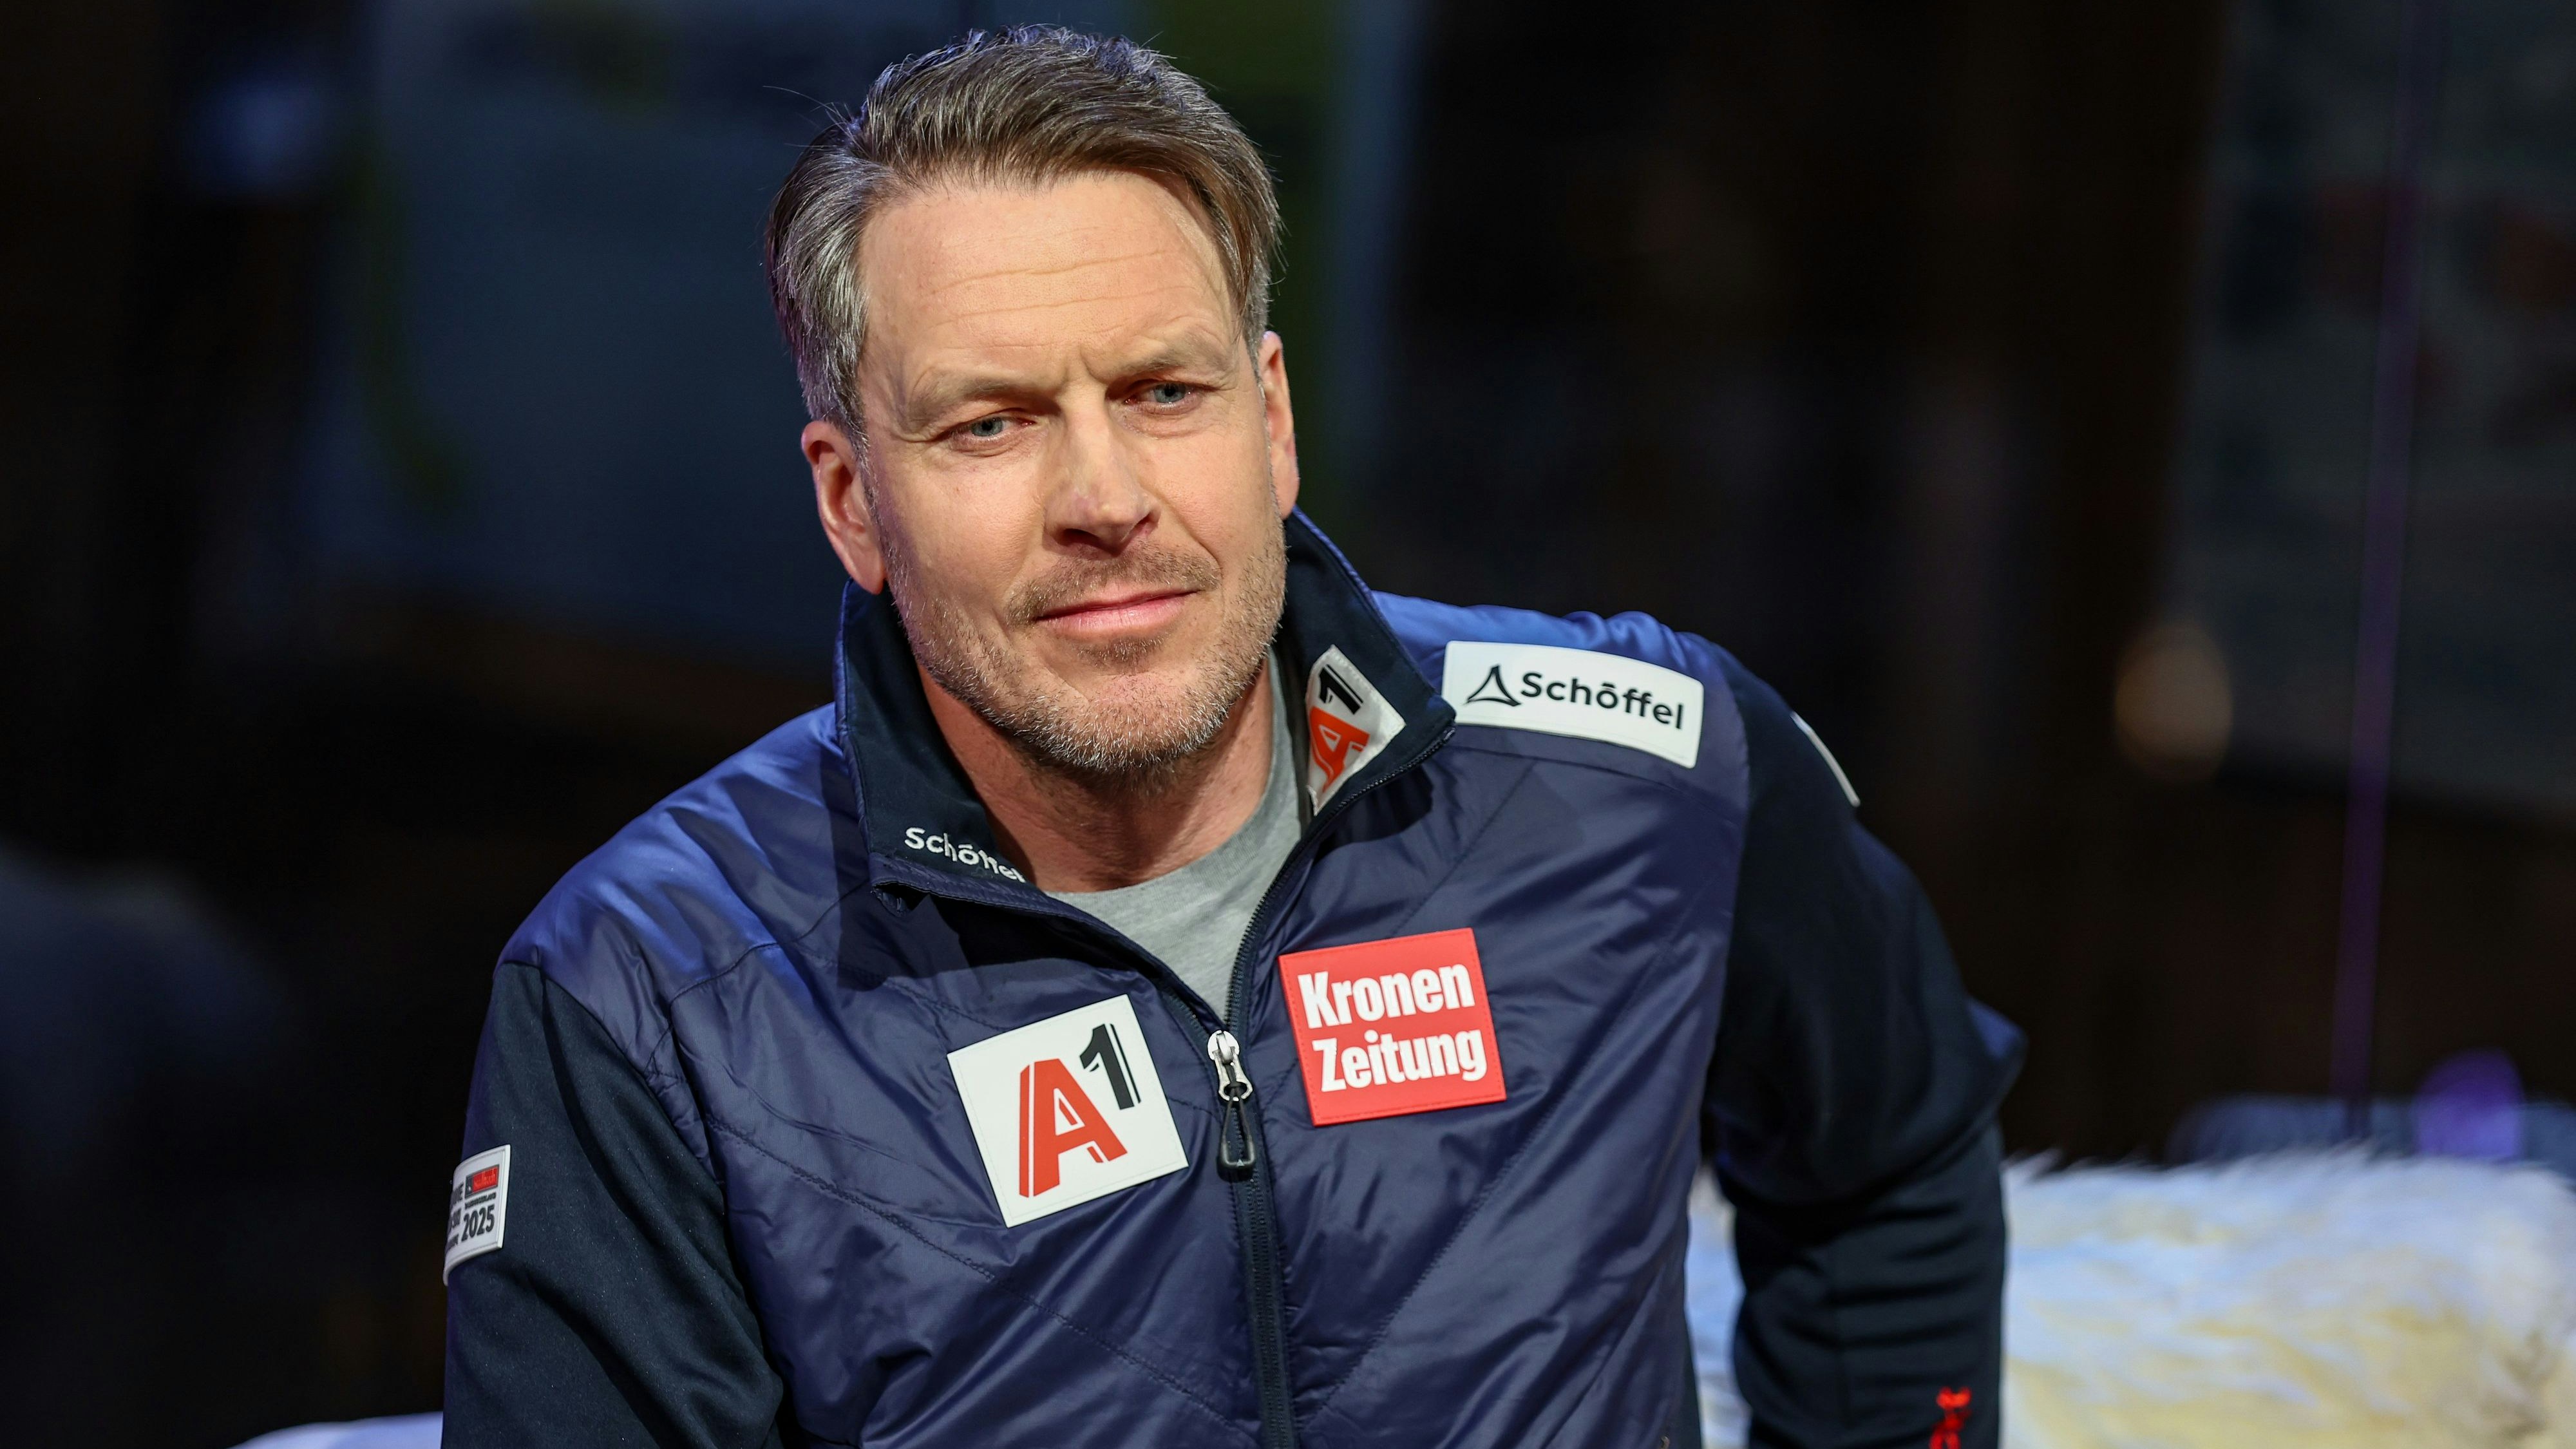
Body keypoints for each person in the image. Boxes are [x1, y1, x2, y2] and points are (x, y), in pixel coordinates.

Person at [440, 26, 2020, 1449]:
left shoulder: (1643, 767)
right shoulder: (651, 988)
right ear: (852, 501)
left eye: (1161, 393)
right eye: (990, 423)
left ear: (1270, 418)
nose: (1104, 499)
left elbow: (1890, 1164)